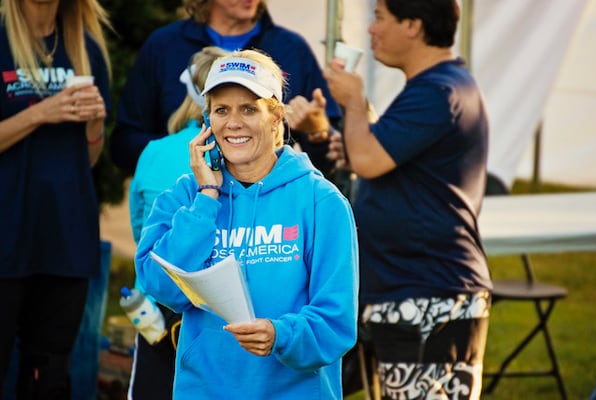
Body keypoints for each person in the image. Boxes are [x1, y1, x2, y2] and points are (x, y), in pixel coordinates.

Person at [135, 49, 359, 399]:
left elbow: (336, 322)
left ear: (276, 117)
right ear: (207, 118)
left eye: (249, 109)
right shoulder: (184, 195)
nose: (233, 122)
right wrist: (207, 197)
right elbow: (160, 287)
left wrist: (279, 334)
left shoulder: (321, 201)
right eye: (222, 109)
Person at [323, 1, 493, 399]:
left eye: (380, 18)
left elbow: (367, 159)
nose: (371, 30)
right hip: (416, 291)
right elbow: (377, 155)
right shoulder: (438, 86)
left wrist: (352, 101)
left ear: (413, 25)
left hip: (428, 294)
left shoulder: (438, 91)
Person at [0, 0, 111, 397]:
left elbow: (89, 158)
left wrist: (95, 123)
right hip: (6, 234)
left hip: (65, 237)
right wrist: (40, 113)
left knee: (47, 377)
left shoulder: (85, 47)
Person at [110, 0, 341, 181]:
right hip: (186, 207)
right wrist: (187, 155)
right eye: (220, 110)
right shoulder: (163, 47)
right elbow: (124, 144)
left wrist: (318, 133)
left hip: (267, 210)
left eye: (249, 108)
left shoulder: (292, 49)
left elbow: (337, 163)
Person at [127, 46, 227, 400]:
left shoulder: (154, 152)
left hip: (155, 307)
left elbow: (140, 229)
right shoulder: (235, 156)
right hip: (216, 308)